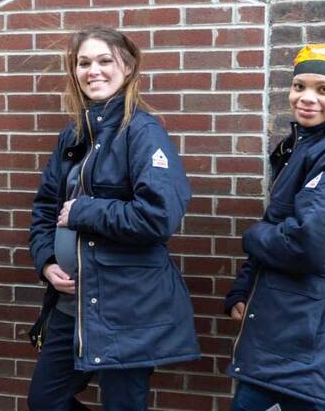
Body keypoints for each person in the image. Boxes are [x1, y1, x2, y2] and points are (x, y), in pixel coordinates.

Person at [26, 26, 200, 411]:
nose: (94, 71)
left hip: (127, 310)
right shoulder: (73, 135)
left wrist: (86, 210)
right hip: (72, 304)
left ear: (128, 65)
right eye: (83, 63)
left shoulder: (142, 132)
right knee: (44, 401)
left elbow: (158, 217)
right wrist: (47, 261)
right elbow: (44, 210)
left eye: (105, 61)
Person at [223, 44, 325, 410]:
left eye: (323, 89)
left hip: (313, 326)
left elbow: (311, 244)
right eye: (299, 86)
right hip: (282, 318)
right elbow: (279, 221)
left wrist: (253, 238)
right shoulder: (300, 146)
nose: (307, 98)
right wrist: (245, 288)